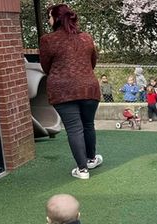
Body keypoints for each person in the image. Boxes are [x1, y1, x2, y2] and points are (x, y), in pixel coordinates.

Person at [39, 3, 103, 180]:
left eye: (50, 16)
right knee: (88, 124)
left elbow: (45, 67)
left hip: (62, 90)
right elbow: (93, 62)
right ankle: (91, 159)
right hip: (89, 87)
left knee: (74, 128)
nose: (49, 20)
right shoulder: (86, 38)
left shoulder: (48, 40)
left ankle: (82, 170)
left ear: (56, 18)